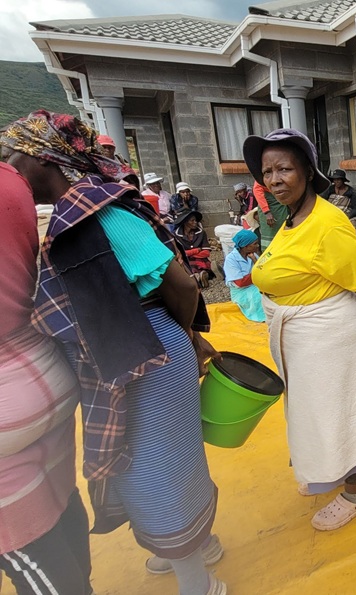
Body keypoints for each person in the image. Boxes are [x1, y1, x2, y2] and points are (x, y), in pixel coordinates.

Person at [1, 110, 225, 595]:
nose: (12, 172)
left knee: (161, 466)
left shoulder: (98, 212)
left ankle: (198, 577)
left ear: (48, 157)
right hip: (130, 347)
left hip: (151, 349)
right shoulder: (77, 213)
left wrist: (184, 333)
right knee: (145, 462)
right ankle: (183, 545)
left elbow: (182, 285)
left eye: (17, 158)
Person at [245, 128, 356, 531]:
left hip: (331, 338)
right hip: (306, 339)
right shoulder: (293, 219)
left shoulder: (328, 223)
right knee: (316, 413)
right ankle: (325, 468)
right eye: (267, 171)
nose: (274, 180)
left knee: (341, 412)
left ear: (307, 169)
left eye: (284, 168)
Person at [0, 161, 92, 594]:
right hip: (45, 368)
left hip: (7, 413)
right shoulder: (8, 181)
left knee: (31, 551)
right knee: (60, 507)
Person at [223, 229, 265, 322]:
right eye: (255, 244)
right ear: (245, 246)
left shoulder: (252, 255)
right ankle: (262, 316)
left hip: (254, 285)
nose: (258, 246)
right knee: (261, 295)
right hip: (241, 292)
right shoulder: (231, 259)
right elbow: (240, 283)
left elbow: (263, 270)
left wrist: (255, 260)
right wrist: (257, 273)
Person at [174, 210, 214, 289]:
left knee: (201, 265)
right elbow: (178, 253)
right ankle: (199, 277)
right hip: (186, 260)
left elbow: (206, 252)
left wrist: (188, 253)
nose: (195, 222)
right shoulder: (176, 235)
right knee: (189, 267)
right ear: (185, 222)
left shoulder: (201, 232)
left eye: (195, 220)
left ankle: (199, 277)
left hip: (200, 258)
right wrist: (195, 250)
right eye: (192, 220)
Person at [253, 180, 287, 250]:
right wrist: (267, 212)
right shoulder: (262, 175)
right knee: (270, 233)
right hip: (268, 207)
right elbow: (257, 189)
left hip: (283, 206)